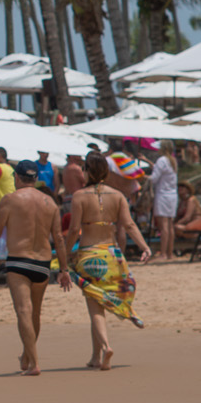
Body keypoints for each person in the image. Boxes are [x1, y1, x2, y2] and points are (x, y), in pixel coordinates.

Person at [0, 176, 71, 376]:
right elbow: (59, 238)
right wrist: (64, 269)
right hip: (43, 263)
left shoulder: (10, 199)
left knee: (23, 311)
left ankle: (34, 363)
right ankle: (27, 356)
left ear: (17, 177)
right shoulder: (50, 202)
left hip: (19, 261)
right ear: (35, 179)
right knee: (35, 312)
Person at [66, 151, 151, 370]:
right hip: (113, 256)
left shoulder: (79, 196)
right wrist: (144, 247)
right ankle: (96, 356)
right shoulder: (118, 195)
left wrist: (65, 254)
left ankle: (105, 347)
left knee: (95, 306)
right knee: (108, 296)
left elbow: (74, 229)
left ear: (87, 171)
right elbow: (130, 225)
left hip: (89, 255)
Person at [149, 142, 180, 261]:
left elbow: (154, 178)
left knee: (164, 227)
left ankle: (163, 253)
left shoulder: (162, 160)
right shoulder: (172, 160)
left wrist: (142, 177)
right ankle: (169, 253)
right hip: (172, 195)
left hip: (162, 195)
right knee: (170, 225)